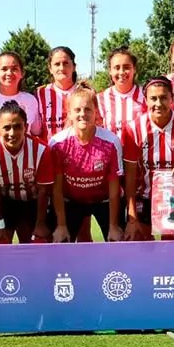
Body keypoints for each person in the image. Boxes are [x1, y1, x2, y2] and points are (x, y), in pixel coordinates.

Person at [122, 78, 174, 241]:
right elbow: (129, 176)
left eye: (164, 98)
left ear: (172, 98)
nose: (158, 103)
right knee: (139, 245)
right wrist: (132, 218)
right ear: (146, 101)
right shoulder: (133, 128)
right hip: (144, 196)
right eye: (153, 98)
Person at [49, 89, 124, 242]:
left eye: (88, 109)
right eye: (77, 110)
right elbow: (56, 189)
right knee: (59, 242)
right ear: (69, 113)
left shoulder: (111, 142)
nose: (83, 114)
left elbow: (114, 188)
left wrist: (114, 225)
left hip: (103, 201)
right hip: (71, 201)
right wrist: (61, 225)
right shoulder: (57, 143)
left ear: (96, 112)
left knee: (118, 241)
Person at [0, 101, 55, 245]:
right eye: (6, 128)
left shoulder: (41, 150)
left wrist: (40, 224)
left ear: (26, 127)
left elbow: (43, 192)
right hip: (5, 203)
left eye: (17, 126)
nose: (12, 133)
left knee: (36, 243)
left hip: (33, 202)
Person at [0, 52, 42, 142]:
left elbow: (36, 131)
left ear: (22, 73)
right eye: (4, 69)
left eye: (14, 69)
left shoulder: (30, 100)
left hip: (22, 155)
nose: (9, 73)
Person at [97, 46, 146, 139]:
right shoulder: (100, 99)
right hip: (110, 153)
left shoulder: (146, 96)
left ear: (134, 69)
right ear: (110, 71)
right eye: (117, 67)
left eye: (126, 67)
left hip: (140, 152)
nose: (122, 72)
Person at [36, 46, 80, 140]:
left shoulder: (85, 92)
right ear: (50, 69)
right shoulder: (40, 94)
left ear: (74, 67)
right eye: (57, 64)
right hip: (50, 152)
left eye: (65, 63)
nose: (61, 67)